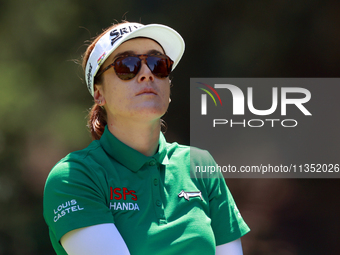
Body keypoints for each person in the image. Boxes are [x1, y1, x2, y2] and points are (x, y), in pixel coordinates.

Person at [43, 21, 250, 255]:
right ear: (99, 93)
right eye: (127, 65)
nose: (147, 74)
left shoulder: (200, 164)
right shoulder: (74, 177)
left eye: (158, 64)